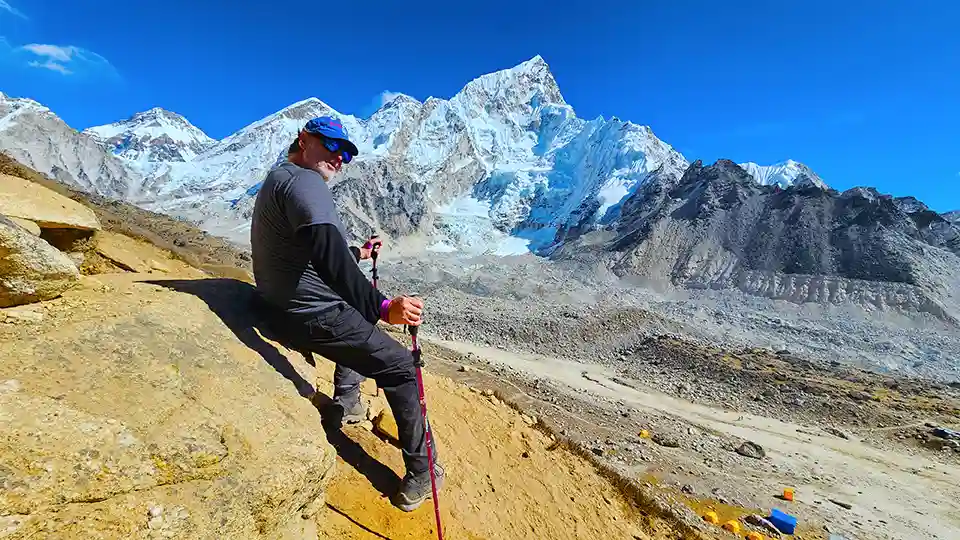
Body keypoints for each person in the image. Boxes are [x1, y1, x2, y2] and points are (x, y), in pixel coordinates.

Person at [249, 116, 444, 512]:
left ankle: (349, 400)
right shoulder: (306, 182)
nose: (340, 157)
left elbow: (315, 250)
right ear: (304, 139)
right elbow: (328, 253)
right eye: (332, 145)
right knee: (401, 367)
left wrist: (360, 253)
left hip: (282, 309)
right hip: (314, 315)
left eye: (347, 153)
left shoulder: (279, 178)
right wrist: (383, 307)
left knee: (358, 313)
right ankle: (422, 474)